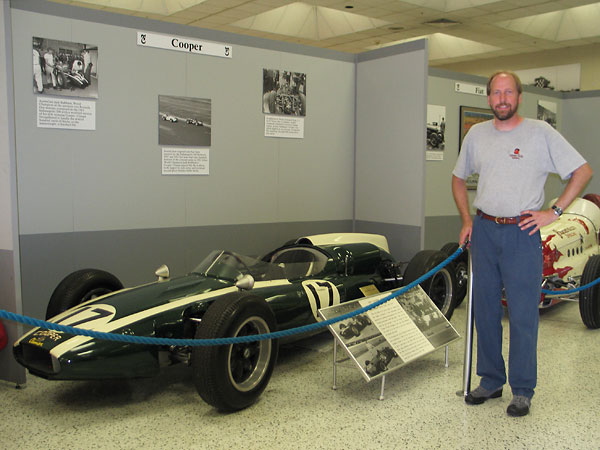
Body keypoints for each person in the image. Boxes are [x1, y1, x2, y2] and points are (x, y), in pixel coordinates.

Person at [452, 71, 592, 417]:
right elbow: (457, 178)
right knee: (484, 310)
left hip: (522, 233)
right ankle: (490, 380)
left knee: (523, 313)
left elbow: (583, 171)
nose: (502, 99)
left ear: (518, 97)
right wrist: (467, 219)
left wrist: (554, 211)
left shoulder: (540, 134)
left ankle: (523, 389)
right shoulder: (476, 135)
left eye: (508, 92)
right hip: (484, 230)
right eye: (496, 93)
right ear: (488, 99)